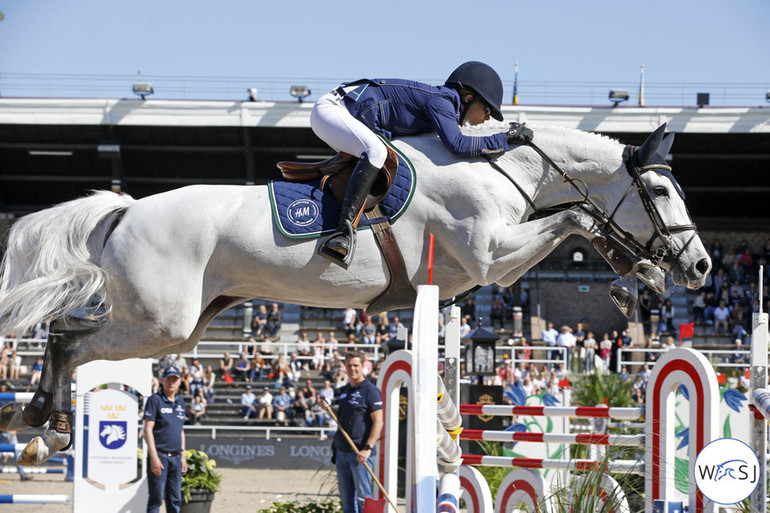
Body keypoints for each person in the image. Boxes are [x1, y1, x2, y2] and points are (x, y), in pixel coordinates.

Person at [310, 61, 533, 268]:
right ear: (467, 98)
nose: (487, 119)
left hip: (346, 113)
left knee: (384, 157)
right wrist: (504, 139)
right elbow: (458, 145)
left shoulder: (444, 106)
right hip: (333, 110)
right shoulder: (442, 102)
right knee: (376, 152)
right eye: (487, 110)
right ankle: (342, 233)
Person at [326, 350, 383, 513]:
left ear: (363, 366)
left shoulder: (370, 390)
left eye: (356, 365)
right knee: (346, 500)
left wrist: (367, 448)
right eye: (349, 365)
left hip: (361, 453)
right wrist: (328, 409)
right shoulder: (345, 390)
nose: (353, 369)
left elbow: (378, 421)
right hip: (342, 452)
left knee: (363, 498)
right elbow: (341, 419)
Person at [144, 366, 187, 513]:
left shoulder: (181, 402)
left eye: (174, 379)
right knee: (156, 499)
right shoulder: (154, 400)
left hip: (175, 457)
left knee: (175, 500)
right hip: (160, 456)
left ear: (180, 381)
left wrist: (183, 456)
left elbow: (180, 430)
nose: (171, 383)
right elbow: (147, 430)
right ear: (163, 380)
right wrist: (154, 457)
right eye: (169, 379)